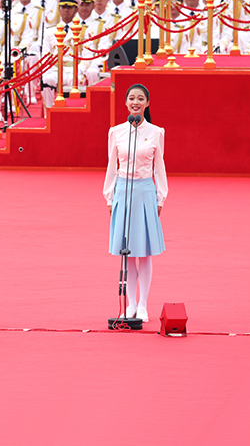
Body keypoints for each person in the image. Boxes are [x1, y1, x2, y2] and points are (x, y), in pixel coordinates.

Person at [103, 84, 167, 322]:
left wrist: (161, 196)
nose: (136, 102)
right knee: (127, 253)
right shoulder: (116, 132)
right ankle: (130, 304)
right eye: (132, 98)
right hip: (123, 190)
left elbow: (159, 168)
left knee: (144, 253)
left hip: (145, 192)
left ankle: (143, 305)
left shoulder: (156, 132)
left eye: (141, 98)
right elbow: (112, 167)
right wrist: (109, 195)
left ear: (147, 103)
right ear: (126, 103)